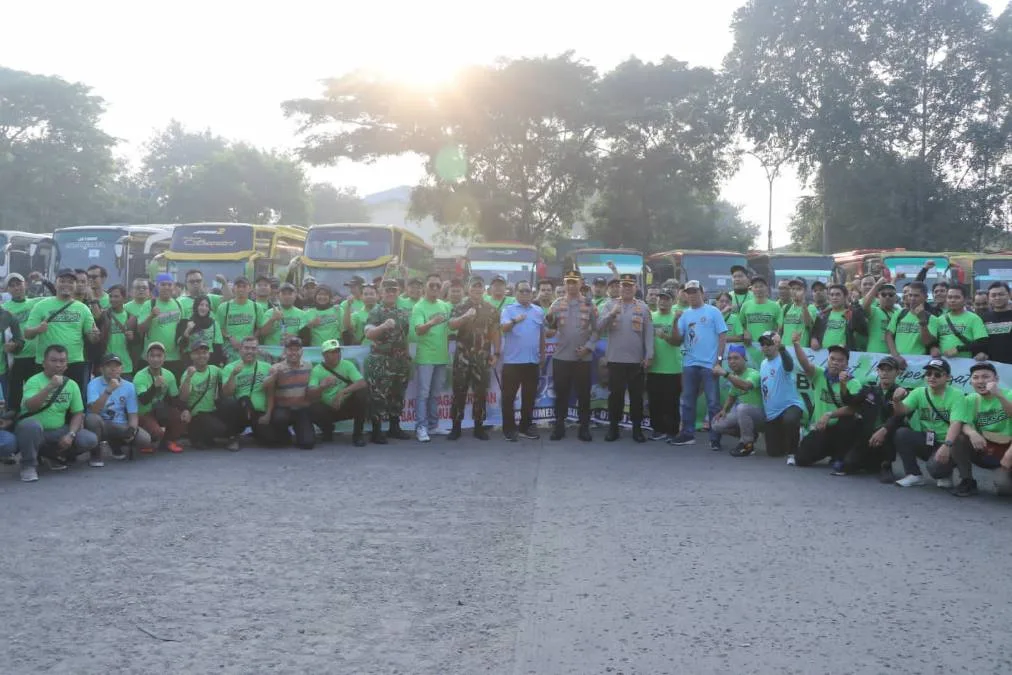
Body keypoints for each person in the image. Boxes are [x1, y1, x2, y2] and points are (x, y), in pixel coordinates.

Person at [14, 344, 99, 482]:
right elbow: (31, 407)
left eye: (62, 361)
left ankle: (54, 456)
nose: (58, 365)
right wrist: (50, 387)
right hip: (34, 431)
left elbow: (78, 413)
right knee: (31, 426)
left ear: (66, 365)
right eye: (53, 360)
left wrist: (70, 435)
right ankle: (28, 465)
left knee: (89, 439)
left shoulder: (71, 385)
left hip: (58, 430)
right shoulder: (34, 381)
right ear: (44, 363)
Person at [938, 362, 1012, 497]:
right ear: (971, 381)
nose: (980, 381)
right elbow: (960, 421)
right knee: (959, 436)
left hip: (1007, 450)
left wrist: (999, 395)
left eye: (986, 377)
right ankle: (967, 480)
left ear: (996, 379)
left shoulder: (1009, 394)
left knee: (1004, 489)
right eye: (976, 377)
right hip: (986, 449)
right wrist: (972, 433)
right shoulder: (970, 399)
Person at [669, 281, 727, 449]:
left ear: (702, 292)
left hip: (710, 364)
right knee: (687, 400)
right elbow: (677, 339)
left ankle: (715, 438)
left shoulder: (713, 311)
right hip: (690, 363)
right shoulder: (685, 315)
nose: (692, 295)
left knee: (713, 402)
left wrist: (719, 360)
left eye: (695, 291)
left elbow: (722, 336)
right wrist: (674, 321)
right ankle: (688, 434)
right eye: (689, 292)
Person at [24, 268, 101, 394]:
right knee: (46, 401)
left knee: (74, 404)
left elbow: (92, 338)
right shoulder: (41, 306)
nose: (66, 284)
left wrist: (95, 335)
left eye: (71, 282)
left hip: (74, 363)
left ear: (75, 285)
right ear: (55, 283)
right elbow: (27, 334)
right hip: (47, 364)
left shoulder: (83, 309)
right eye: (62, 281)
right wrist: (38, 329)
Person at [891, 358, 965, 488]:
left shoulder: (957, 395)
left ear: (948, 377)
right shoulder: (920, 392)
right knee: (902, 433)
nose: (932, 377)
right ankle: (913, 475)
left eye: (937, 374)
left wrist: (947, 446)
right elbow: (901, 412)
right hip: (928, 440)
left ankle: (945, 472)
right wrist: (896, 401)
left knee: (935, 470)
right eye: (928, 374)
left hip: (948, 442)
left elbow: (956, 423)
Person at [597, 273, 653, 442]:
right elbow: (599, 328)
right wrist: (611, 314)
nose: (627, 289)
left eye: (630, 286)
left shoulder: (643, 307)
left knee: (636, 397)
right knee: (616, 396)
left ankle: (637, 429)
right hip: (615, 359)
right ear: (619, 288)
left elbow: (649, 333)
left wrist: (649, 355)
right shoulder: (609, 305)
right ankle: (613, 428)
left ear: (635, 288)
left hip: (636, 360)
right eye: (624, 286)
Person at [792, 342, 863, 472]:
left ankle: (839, 456)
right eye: (832, 359)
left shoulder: (853, 383)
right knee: (801, 459)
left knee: (849, 422)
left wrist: (829, 414)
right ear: (828, 360)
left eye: (840, 360)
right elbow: (805, 364)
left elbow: (853, 408)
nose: (835, 362)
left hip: (841, 431)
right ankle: (829, 452)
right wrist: (796, 344)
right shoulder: (819, 374)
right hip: (822, 428)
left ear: (846, 364)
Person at [546, 270, 598, 442]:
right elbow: (549, 327)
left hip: (582, 357)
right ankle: (559, 426)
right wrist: (549, 323)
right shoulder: (556, 304)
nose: (571, 285)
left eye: (574, 282)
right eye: (568, 282)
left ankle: (584, 428)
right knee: (561, 394)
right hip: (561, 357)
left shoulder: (590, 304)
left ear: (580, 284)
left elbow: (597, 330)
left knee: (583, 394)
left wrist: (589, 348)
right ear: (564, 283)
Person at [447, 277, 499, 441]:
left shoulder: (491, 309)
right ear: (469, 289)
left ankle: (479, 427)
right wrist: (465, 317)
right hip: (463, 357)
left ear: (484, 289)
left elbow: (495, 332)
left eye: (480, 287)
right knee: (459, 392)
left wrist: (496, 353)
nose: (477, 290)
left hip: (482, 357)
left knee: (480, 393)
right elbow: (451, 325)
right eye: (474, 287)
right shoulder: (460, 306)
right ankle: (456, 427)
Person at [837, 356, 904, 480]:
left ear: (897, 372)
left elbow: (899, 417)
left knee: (896, 430)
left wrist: (884, 430)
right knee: (848, 466)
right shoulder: (869, 390)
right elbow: (849, 401)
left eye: (889, 370)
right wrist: (843, 384)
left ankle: (886, 464)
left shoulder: (901, 392)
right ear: (877, 372)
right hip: (867, 437)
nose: (885, 373)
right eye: (882, 369)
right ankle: (861, 459)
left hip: (886, 437)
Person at [364, 280, 413, 443]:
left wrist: (406, 355)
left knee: (397, 395)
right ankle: (376, 431)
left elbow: (404, 335)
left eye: (394, 290)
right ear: (381, 293)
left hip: (400, 361)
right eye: (387, 290)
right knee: (379, 396)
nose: (391, 293)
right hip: (381, 361)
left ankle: (394, 427)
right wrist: (383, 326)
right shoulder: (376, 312)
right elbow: (369, 334)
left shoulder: (402, 312)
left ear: (398, 292)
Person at [500, 280, 544, 441]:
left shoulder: (538, 311)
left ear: (532, 294)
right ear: (516, 293)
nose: (525, 294)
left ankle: (525, 427)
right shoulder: (508, 310)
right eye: (522, 291)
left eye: (528, 291)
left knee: (529, 397)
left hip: (532, 361)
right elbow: (503, 328)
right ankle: (509, 429)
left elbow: (541, 334)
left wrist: (543, 355)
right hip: (512, 362)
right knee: (508, 397)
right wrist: (515, 320)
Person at [85, 353, 150, 462]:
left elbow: (133, 414)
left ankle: (116, 444)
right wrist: (108, 390)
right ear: (101, 369)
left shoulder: (129, 386)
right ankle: (95, 453)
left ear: (122, 369)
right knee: (92, 419)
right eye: (109, 366)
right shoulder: (93, 383)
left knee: (144, 439)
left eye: (116, 366)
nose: (113, 369)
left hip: (120, 424)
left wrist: (132, 429)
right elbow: (93, 411)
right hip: (102, 423)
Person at [411, 273, 452, 442]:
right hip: (425, 357)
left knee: (435, 394)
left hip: (442, 357)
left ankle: (434, 426)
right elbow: (419, 329)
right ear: (425, 287)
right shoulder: (419, 307)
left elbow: (452, 327)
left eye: (437, 286)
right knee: (423, 394)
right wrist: (432, 322)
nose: (435, 288)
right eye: (431, 285)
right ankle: (421, 427)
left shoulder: (445, 305)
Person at [307, 339, 368, 446]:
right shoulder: (317, 370)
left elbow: (362, 383)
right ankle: (327, 430)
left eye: (337, 351)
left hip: (345, 406)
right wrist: (322, 387)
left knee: (362, 393)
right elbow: (310, 394)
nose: (336, 355)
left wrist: (342, 393)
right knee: (311, 407)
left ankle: (358, 435)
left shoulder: (347, 365)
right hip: (328, 410)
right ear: (324, 355)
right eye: (332, 352)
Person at [218, 336, 272, 451]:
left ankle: (257, 432)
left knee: (270, 440)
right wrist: (233, 375)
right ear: (240, 349)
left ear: (257, 350)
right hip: (239, 411)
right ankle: (232, 437)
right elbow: (227, 393)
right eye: (246, 348)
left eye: (253, 348)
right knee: (230, 402)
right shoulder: (230, 367)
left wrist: (268, 413)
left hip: (258, 412)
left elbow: (271, 393)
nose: (250, 351)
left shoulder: (267, 367)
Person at [759, 332, 805, 460]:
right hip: (773, 414)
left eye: (769, 343)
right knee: (774, 452)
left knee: (790, 420)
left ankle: (793, 452)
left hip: (790, 406)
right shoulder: (763, 364)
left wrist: (783, 349)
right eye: (762, 344)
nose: (765, 346)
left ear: (776, 345)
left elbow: (789, 366)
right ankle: (792, 437)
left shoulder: (782, 358)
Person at [712, 344, 764, 456]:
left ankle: (747, 445)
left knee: (741, 408)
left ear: (744, 359)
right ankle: (751, 436)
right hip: (744, 415)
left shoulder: (753, 373)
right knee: (716, 424)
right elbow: (732, 396)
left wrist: (726, 374)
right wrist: (724, 410)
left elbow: (745, 386)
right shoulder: (735, 376)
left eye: (736, 358)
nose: (732, 361)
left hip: (761, 416)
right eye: (729, 358)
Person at [133, 342, 184, 454]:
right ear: (147, 358)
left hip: (158, 409)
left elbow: (175, 398)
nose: (156, 359)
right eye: (152, 356)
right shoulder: (140, 376)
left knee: (180, 416)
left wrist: (186, 410)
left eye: (159, 356)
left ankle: (168, 442)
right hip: (143, 413)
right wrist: (154, 387)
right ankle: (147, 442)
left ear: (164, 358)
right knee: (157, 432)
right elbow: (143, 400)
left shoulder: (169, 375)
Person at [177, 341, 227, 448]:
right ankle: (198, 437)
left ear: (209, 355)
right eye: (197, 353)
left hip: (211, 412)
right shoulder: (188, 373)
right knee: (215, 429)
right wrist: (188, 378)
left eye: (204, 352)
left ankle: (207, 437)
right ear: (192, 355)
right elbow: (183, 398)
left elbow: (227, 382)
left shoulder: (215, 370)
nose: (201, 356)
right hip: (196, 415)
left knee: (228, 408)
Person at [3, 273, 42, 413]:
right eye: (12, 285)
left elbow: (57, 296)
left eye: (18, 284)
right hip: (15, 360)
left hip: (36, 358)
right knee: (15, 398)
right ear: (8, 289)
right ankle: (12, 426)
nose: (16, 288)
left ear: (25, 284)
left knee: (35, 394)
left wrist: (43, 279)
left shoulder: (36, 303)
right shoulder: (4, 308)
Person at [140, 273, 186, 381]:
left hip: (174, 358)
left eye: (169, 285)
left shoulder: (178, 305)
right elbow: (141, 329)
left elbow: (182, 329)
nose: (166, 287)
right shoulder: (149, 304)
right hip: (152, 358)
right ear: (157, 286)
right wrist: (151, 316)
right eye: (163, 284)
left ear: (173, 287)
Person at [885, 281, 940, 366]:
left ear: (925, 297)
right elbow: (888, 335)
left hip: (918, 363)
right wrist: (895, 355)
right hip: (897, 362)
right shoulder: (899, 313)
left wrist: (922, 321)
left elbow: (927, 342)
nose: (912, 298)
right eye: (910, 295)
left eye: (916, 295)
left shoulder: (933, 319)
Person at [216, 277, 262, 363]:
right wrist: (229, 337)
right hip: (229, 350)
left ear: (250, 288)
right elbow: (219, 328)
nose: (241, 289)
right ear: (233, 288)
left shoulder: (257, 307)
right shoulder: (224, 307)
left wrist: (251, 340)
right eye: (238, 286)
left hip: (249, 350)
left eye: (244, 286)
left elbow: (259, 328)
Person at [936, 285, 988, 360]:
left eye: (957, 297)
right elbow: (934, 342)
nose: (952, 300)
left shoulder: (974, 318)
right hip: (944, 364)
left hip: (966, 364)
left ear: (965, 299)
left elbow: (982, 342)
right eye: (949, 297)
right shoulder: (939, 319)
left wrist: (958, 349)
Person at [98, 285, 138, 378]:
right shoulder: (103, 316)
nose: (112, 299)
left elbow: (138, 342)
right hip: (107, 366)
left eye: (116, 296)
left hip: (125, 366)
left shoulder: (131, 318)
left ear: (124, 298)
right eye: (110, 296)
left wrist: (132, 338)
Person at [812, 283, 866, 350]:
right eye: (832, 295)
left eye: (838, 294)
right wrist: (813, 339)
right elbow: (814, 332)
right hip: (823, 355)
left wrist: (855, 303)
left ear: (845, 297)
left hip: (843, 356)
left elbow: (863, 329)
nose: (834, 297)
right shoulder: (823, 315)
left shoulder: (850, 313)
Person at [176, 295, 224, 367]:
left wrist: (216, 365)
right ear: (196, 306)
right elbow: (181, 346)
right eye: (201, 305)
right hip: (190, 362)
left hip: (209, 361)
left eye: (207, 306)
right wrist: (187, 331)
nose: (204, 308)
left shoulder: (214, 323)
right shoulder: (185, 322)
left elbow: (217, 347)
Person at [862, 278, 899, 355]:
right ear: (878, 297)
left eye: (891, 295)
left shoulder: (899, 313)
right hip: (875, 354)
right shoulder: (874, 311)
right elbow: (865, 305)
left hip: (895, 355)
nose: (887, 297)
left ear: (896, 298)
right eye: (883, 294)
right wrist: (876, 285)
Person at [779, 278, 816, 349]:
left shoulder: (811, 307)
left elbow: (808, 324)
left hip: (801, 350)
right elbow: (780, 330)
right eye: (792, 289)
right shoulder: (786, 307)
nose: (795, 292)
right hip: (785, 349)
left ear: (804, 291)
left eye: (798, 289)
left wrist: (803, 304)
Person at [982, 281, 1012, 364]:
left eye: (1001, 294)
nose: (997, 298)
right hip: (990, 367)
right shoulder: (983, 318)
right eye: (993, 295)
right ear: (988, 298)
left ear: (1009, 295)